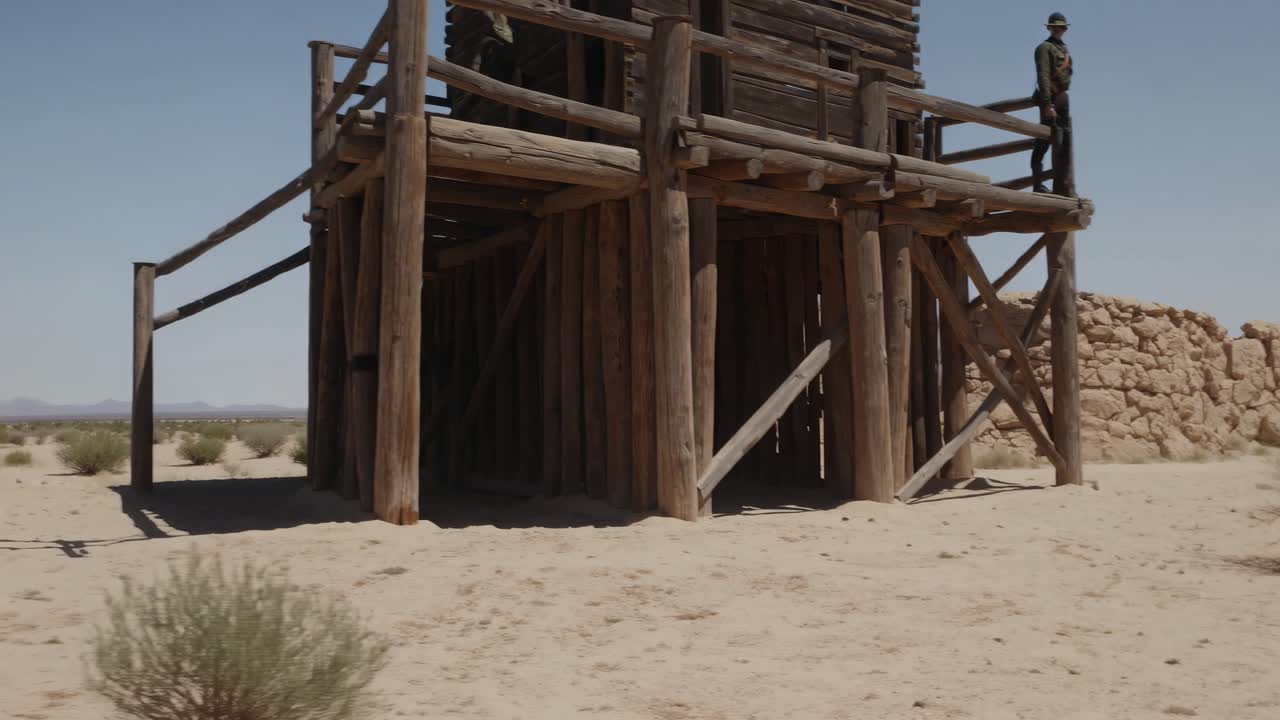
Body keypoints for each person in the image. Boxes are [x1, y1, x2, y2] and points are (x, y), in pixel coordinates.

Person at [1030, 12, 1073, 193]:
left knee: (1064, 143)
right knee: (1044, 141)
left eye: (1061, 27)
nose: (1058, 30)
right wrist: (1047, 104)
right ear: (1049, 28)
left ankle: (1064, 186)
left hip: (1063, 98)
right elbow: (1043, 76)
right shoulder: (1044, 48)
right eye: (1055, 27)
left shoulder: (1063, 48)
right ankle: (1038, 184)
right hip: (1051, 99)